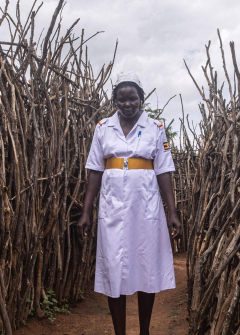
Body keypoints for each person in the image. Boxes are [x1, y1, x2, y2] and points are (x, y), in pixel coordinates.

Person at [77, 71, 182, 335]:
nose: (127, 104)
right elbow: (94, 170)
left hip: (146, 206)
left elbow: (164, 171)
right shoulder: (103, 127)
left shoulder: (156, 128)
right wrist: (86, 211)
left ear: (141, 99)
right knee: (114, 267)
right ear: (115, 101)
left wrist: (173, 212)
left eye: (132, 99)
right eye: (121, 100)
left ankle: (144, 331)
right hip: (112, 207)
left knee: (147, 265)